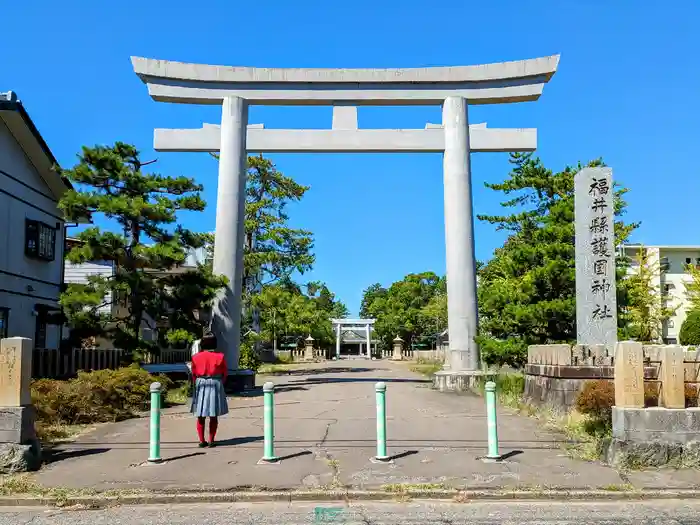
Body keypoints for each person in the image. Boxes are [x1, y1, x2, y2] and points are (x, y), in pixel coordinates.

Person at [190, 332, 228, 447]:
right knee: (213, 414)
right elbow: (224, 373)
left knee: (200, 415)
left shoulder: (195, 357)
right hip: (215, 383)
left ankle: (202, 441)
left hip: (200, 383)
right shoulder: (220, 356)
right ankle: (211, 440)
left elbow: (194, 374)